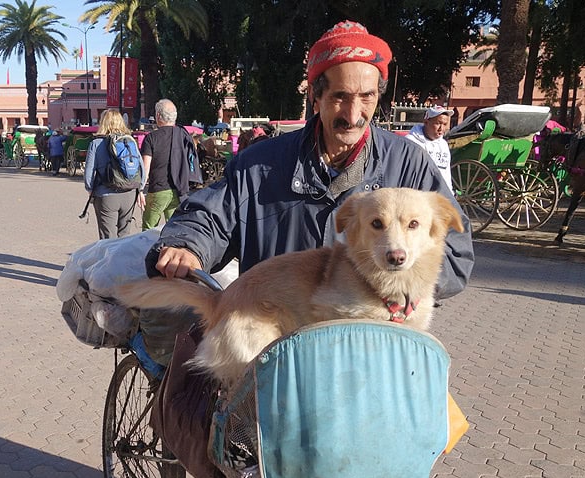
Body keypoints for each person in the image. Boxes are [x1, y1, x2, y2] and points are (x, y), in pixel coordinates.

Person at [148, 21, 473, 303]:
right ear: (316, 97)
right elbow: (212, 216)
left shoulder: (409, 167)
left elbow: (455, 254)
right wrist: (186, 246)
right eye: (340, 97)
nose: (353, 114)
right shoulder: (257, 167)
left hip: (371, 344)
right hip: (274, 339)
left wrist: (388, 280)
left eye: (367, 97)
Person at [83, 109, 145, 239]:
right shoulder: (130, 141)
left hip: (106, 194)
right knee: (124, 236)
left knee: (108, 238)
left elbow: (88, 174)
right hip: (129, 193)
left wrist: (90, 189)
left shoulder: (96, 143)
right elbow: (141, 169)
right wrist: (139, 189)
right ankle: (123, 259)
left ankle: (109, 260)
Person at [139, 99, 200, 230]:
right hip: (179, 190)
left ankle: (149, 250)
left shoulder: (151, 138)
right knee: (173, 229)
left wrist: (139, 189)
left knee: (148, 228)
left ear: (158, 116)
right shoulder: (183, 135)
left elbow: (146, 168)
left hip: (158, 191)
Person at [405, 106, 454, 191]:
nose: (441, 129)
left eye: (445, 124)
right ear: (426, 122)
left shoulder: (443, 145)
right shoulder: (410, 143)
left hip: (439, 196)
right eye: (438, 123)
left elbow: (446, 173)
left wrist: (450, 193)